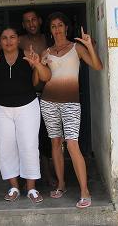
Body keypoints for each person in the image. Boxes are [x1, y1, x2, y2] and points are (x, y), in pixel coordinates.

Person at [0, 27, 51, 203]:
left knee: (29, 146)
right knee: (6, 148)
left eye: (12, 37)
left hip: (28, 107)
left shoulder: (28, 55)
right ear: (0, 41)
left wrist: (37, 64)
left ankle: (31, 188)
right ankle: (13, 186)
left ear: (18, 40)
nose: (8, 41)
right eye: (4, 38)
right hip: (0, 108)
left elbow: (46, 76)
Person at [40, 12, 103, 209]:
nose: (57, 29)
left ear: (66, 28)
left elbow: (97, 66)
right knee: (55, 143)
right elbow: (43, 78)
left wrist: (90, 46)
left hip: (70, 103)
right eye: (53, 26)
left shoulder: (77, 48)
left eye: (60, 25)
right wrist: (39, 64)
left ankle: (85, 191)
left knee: (72, 144)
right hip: (48, 102)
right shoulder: (46, 51)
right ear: (50, 30)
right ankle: (61, 184)